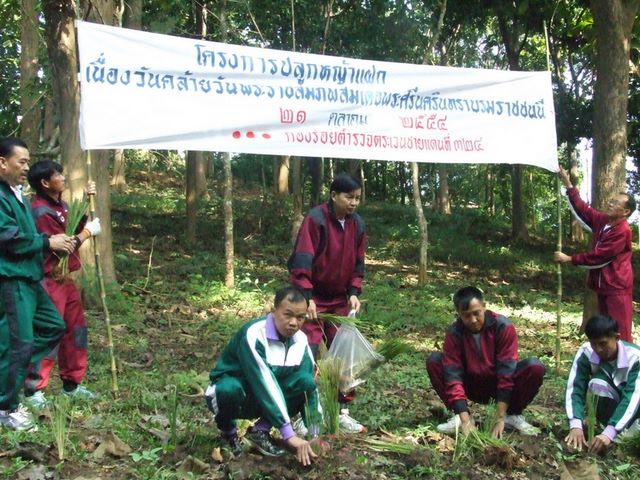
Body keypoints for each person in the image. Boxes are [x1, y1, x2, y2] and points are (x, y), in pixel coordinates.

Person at [0, 138, 74, 431]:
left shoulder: (15, 193)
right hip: (13, 279)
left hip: (30, 278)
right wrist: (47, 242)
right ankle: (5, 407)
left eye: (28, 162)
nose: (26, 168)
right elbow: (8, 238)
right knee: (19, 343)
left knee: (52, 326)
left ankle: (10, 372)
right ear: (2, 162)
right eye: (21, 162)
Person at [204, 286, 320, 466]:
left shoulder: (301, 341)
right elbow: (263, 381)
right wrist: (288, 434)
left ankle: (260, 430)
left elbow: (309, 388)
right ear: (273, 311)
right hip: (240, 394)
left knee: (304, 382)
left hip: (268, 399)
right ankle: (228, 434)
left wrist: (317, 435)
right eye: (287, 315)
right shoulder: (255, 334)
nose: (293, 323)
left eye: (300, 317)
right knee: (228, 389)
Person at [288, 172, 367, 433]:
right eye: (348, 197)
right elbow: (302, 259)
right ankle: (299, 413)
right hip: (314, 300)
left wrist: (354, 291)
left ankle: (342, 412)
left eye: (357, 198)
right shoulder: (316, 219)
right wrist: (306, 296)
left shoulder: (358, 225)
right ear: (334, 195)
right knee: (306, 354)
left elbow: (358, 262)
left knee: (344, 357)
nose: (353, 203)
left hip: (339, 301)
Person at [22, 160, 102, 408]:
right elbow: (63, 246)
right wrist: (87, 233)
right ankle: (34, 389)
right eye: (58, 175)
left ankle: (72, 384)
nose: (63, 178)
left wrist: (87, 204)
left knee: (75, 330)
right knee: (50, 331)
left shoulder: (62, 206)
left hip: (66, 281)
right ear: (45, 183)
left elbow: (72, 228)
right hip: (49, 281)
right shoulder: (40, 211)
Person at [426, 286, 544, 437]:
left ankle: (511, 415)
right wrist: (465, 420)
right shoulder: (454, 333)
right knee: (434, 361)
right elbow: (453, 376)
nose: (473, 320)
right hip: (470, 383)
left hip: (497, 383)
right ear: (459, 314)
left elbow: (506, 373)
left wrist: (499, 417)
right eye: (466, 316)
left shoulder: (503, 326)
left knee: (534, 367)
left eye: (477, 313)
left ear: (484, 306)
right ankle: (459, 416)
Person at [554, 166, 635, 342]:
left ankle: (627, 360)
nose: (610, 204)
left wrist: (570, 258)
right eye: (611, 201)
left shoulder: (622, 230)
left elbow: (600, 257)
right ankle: (607, 359)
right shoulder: (604, 221)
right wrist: (568, 184)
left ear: (626, 212)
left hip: (617, 288)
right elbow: (584, 210)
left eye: (616, 203)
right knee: (606, 332)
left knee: (620, 333)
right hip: (603, 287)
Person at [565, 314, 640, 454]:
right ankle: (607, 429)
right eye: (593, 344)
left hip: (635, 409)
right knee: (598, 383)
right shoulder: (586, 352)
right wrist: (575, 424)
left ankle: (615, 432)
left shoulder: (635, 357)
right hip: (611, 400)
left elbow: (632, 397)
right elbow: (575, 387)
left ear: (617, 338)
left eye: (603, 343)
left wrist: (610, 432)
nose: (598, 349)